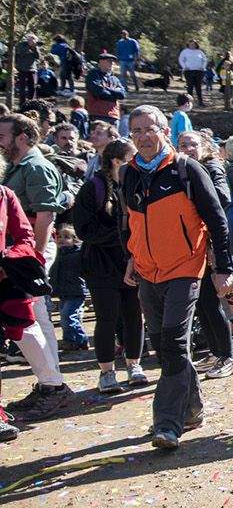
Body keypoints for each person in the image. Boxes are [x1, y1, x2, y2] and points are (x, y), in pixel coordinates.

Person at [121, 105, 233, 451]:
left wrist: (223, 269)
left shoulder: (187, 170)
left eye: (150, 129)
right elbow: (129, 221)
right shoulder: (128, 174)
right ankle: (192, 406)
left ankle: (167, 423)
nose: (143, 136)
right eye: (136, 130)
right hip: (146, 273)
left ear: (164, 131)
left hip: (185, 270)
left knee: (171, 343)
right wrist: (130, 257)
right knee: (164, 345)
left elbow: (217, 221)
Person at [0, 112, 72, 418]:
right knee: (32, 320)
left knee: (33, 318)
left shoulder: (37, 168)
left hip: (22, 257)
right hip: (16, 257)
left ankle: (53, 386)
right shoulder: (17, 168)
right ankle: (50, 383)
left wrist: (33, 262)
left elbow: (44, 218)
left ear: (21, 137)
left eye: (2, 136)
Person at [72, 137, 146, 394]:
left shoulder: (136, 186)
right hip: (101, 266)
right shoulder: (93, 188)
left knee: (134, 315)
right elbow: (83, 229)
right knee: (106, 317)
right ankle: (106, 372)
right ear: (116, 161)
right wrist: (122, 237)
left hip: (134, 261)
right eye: (130, 158)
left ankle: (134, 365)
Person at [176, 130, 233, 380]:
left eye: (192, 144)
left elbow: (223, 200)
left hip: (211, 245)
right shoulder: (180, 170)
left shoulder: (212, 168)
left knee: (212, 303)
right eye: (182, 144)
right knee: (203, 302)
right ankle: (216, 351)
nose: (188, 148)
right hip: (194, 247)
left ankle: (228, 355)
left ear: (204, 146)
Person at [48, 222, 89, 351]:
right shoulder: (57, 254)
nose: (62, 240)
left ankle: (82, 339)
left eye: (66, 237)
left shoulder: (78, 253)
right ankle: (70, 341)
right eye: (59, 236)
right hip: (63, 291)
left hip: (76, 291)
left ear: (74, 239)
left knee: (69, 316)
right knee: (65, 318)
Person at [85, 51, 126, 126]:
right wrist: (114, 94)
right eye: (109, 61)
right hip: (98, 114)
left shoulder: (114, 78)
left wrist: (108, 89)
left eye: (113, 62)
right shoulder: (93, 75)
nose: (112, 63)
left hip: (114, 115)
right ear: (101, 62)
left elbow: (122, 94)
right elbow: (99, 92)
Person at [178, 41, 208, 105]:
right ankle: (189, 102)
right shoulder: (185, 51)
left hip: (198, 71)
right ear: (188, 44)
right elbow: (181, 59)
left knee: (198, 87)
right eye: (191, 44)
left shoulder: (199, 52)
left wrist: (202, 67)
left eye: (194, 44)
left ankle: (200, 102)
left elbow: (204, 60)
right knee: (190, 86)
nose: (192, 45)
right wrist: (184, 67)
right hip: (189, 71)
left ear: (196, 45)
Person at [14, 34, 40, 102]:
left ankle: (31, 102)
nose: (31, 41)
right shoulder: (21, 44)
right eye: (30, 39)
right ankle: (22, 103)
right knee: (22, 87)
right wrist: (29, 46)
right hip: (22, 69)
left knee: (32, 87)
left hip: (32, 69)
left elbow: (38, 57)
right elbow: (21, 53)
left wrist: (34, 48)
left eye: (33, 39)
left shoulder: (35, 46)